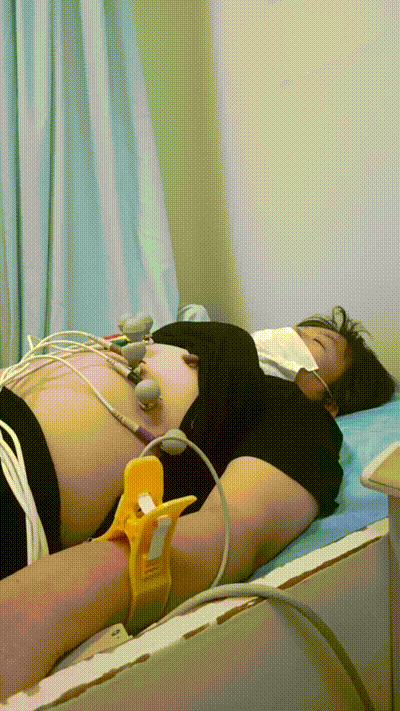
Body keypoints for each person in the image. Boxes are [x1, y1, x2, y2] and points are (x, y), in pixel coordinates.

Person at [0, 306, 396, 699]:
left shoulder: (298, 417)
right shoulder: (192, 343)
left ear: (329, 404)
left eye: (315, 343)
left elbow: (228, 533)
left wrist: (38, 606)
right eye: (295, 329)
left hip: (16, 475)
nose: (289, 337)